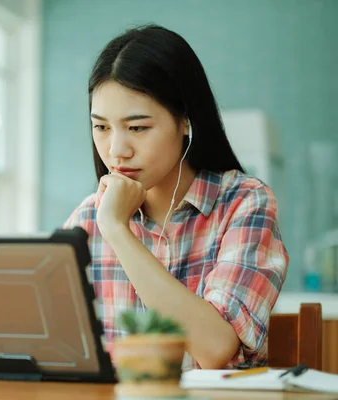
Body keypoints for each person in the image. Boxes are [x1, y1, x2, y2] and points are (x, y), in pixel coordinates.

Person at [64, 24, 288, 370]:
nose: (116, 149)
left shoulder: (245, 203)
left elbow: (215, 349)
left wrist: (117, 230)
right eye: (101, 127)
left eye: (137, 127)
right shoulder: (85, 219)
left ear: (186, 121)